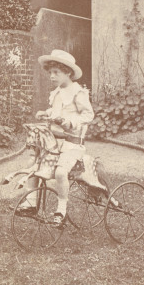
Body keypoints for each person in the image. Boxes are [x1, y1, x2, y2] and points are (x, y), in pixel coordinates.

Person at [16, 49, 94, 226]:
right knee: (32, 165)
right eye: (50, 72)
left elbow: (88, 115)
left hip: (73, 145)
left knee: (60, 172)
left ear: (67, 72)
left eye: (56, 72)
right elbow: (57, 111)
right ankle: (31, 203)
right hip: (55, 143)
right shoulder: (57, 93)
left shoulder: (78, 92)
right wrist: (47, 113)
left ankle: (61, 210)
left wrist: (69, 122)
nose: (52, 76)